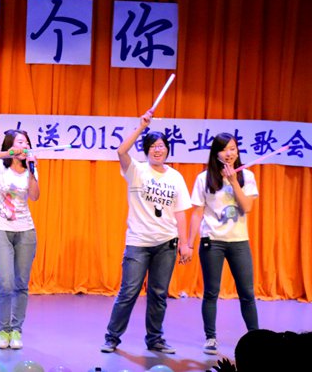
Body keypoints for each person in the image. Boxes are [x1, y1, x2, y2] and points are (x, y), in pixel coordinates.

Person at [100, 110, 192, 355]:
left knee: (158, 294)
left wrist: (185, 244)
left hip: (166, 244)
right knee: (129, 291)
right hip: (138, 242)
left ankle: (155, 339)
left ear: (167, 149)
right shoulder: (136, 170)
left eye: (161, 146)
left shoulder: (176, 177)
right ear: (146, 150)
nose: (157, 150)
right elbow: (121, 151)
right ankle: (112, 338)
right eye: (152, 146)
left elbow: (181, 212)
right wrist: (141, 127)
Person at [189, 132, 259, 355]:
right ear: (216, 153)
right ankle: (210, 338)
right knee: (211, 292)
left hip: (239, 242)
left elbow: (247, 207)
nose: (229, 153)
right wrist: (188, 243)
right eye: (224, 149)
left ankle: (256, 338)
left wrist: (233, 182)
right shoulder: (204, 178)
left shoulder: (247, 176)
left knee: (247, 293)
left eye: (233, 149)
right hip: (212, 241)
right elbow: (197, 213)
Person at [0, 129, 40, 350]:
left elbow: (34, 196)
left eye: (26, 142)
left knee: (21, 285)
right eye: (20, 142)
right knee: (5, 283)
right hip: (0, 229)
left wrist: (32, 170)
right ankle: (3, 330)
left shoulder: (30, 169)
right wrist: (8, 153)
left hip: (26, 231)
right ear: (10, 145)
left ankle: (16, 330)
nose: (24, 146)